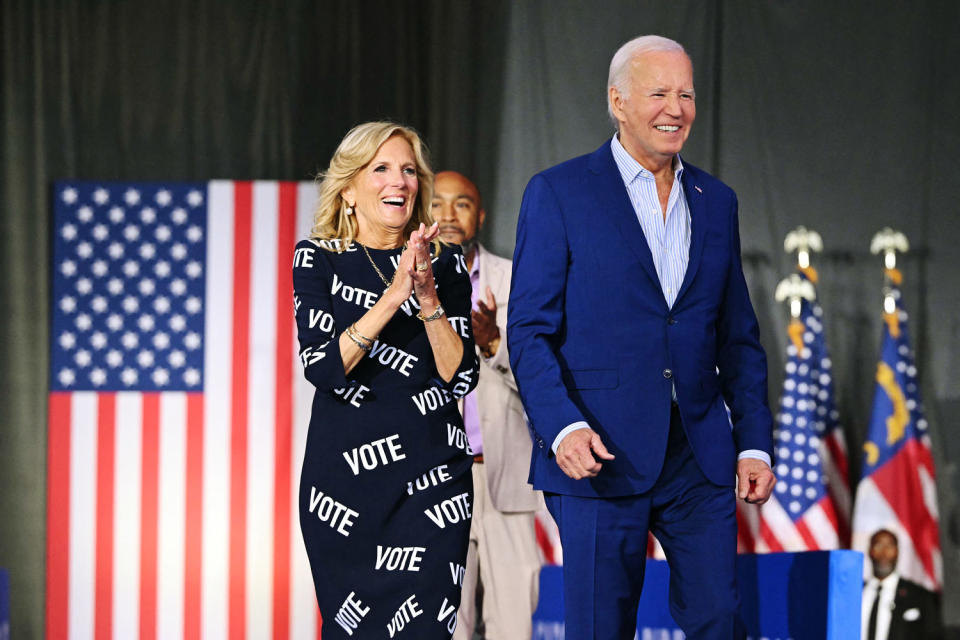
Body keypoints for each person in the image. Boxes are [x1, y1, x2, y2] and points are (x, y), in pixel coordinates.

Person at [506, 35, 776, 638]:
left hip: (699, 456)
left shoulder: (717, 201)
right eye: (658, 92)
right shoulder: (559, 192)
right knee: (602, 627)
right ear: (618, 101)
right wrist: (563, 426)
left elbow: (738, 337)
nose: (674, 108)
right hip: (598, 453)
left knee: (717, 618)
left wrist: (754, 442)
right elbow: (527, 330)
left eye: (686, 93)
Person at [293, 122, 479, 639]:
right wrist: (393, 296)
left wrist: (428, 299)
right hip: (346, 493)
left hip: (434, 485)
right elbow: (324, 367)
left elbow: (461, 377)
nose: (398, 181)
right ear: (349, 190)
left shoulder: (446, 264)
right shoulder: (318, 259)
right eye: (381, 169)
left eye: (408, 170)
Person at [431, 171, 543, 639]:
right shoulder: (403, 284)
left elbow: (543, 378)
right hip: (435, 480)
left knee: (512, 626)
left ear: (479, 216)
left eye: (462, 204)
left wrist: (496, 345)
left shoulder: (515, 281)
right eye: (436, 204)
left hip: (504, 477)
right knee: (445, 626)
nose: (449, 215)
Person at [862, 529, 942, 640]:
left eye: (890, 546)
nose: (884, 553)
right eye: (878, 546)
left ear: (897, 552)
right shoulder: (856, 592)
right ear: (870, 550)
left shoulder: (920, 596)